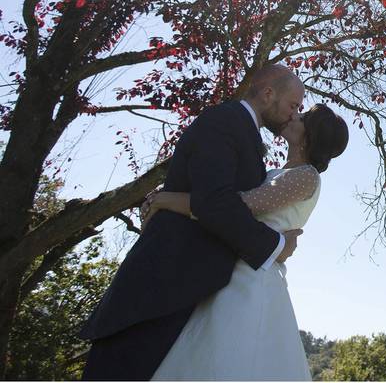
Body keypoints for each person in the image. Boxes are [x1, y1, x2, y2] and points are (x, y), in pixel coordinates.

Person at [81, 65, 307, 380]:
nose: (294, 113)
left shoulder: (246, 134)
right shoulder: (224, 121)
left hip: (184, 290)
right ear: (269, 93)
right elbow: (214, 201)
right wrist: (277, 245)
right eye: (293, 105)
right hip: (158, 290)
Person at [148, 101, 348, 380]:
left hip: (251, 278)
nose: (294, 115)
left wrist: (168, 200)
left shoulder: (305, 177)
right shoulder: (281, 173)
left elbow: (236, 206)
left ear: (309, 137)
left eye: (301, 118)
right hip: (233, 264)